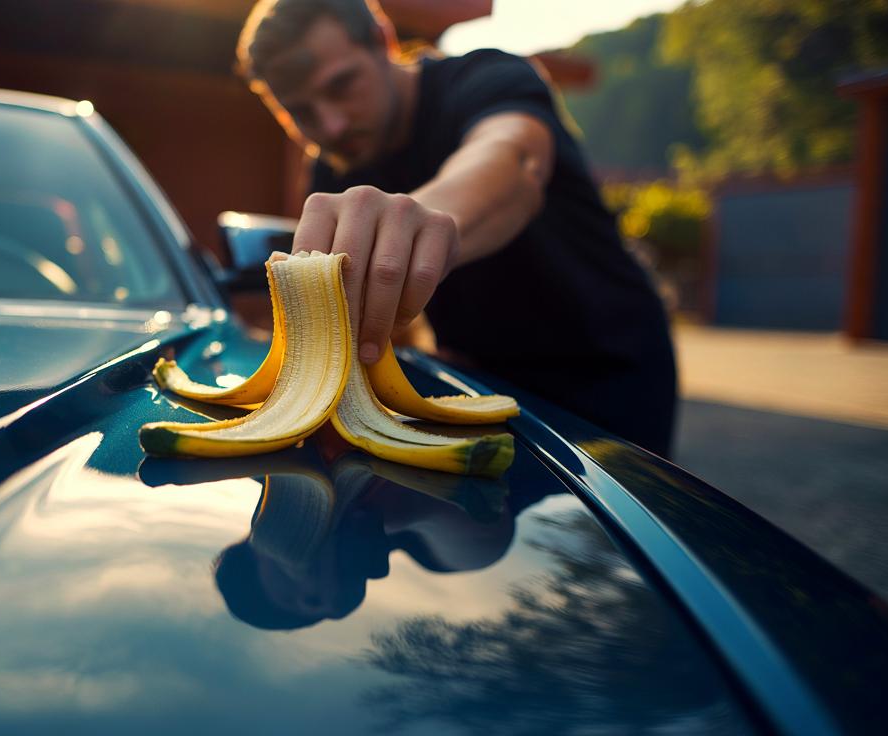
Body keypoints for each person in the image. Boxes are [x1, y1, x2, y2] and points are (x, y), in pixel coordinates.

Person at [236, 0, 679, 456]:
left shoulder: (488, 78)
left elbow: (512, 160)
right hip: (477, 378)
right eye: (300, 112)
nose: (331, 125)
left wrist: (419, 221)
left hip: (606, 369)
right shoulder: (334, 167)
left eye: (343, 85)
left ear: (382, 41)